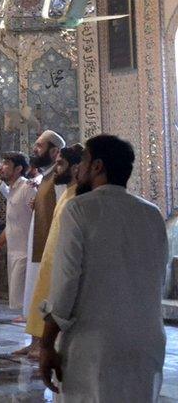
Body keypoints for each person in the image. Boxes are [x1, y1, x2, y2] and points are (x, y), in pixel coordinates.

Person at [39, 135, 167, 402]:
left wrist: (47, 343)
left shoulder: (79, 209)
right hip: (148, 343)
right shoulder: (152, 213)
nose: (78, 169)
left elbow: (65, 286)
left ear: (97, 166)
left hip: (95, 347)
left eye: (83, 160)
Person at [25, 144, 83, 341]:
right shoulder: (66, 193)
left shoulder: (78, 199)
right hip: (50, 261)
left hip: (61, 265)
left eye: (61, 164)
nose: (57, 168)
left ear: (76, 168)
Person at [18, 129, 65, 357]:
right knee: (34, 295)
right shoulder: (46, 176)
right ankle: (34, 341)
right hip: (37, 245)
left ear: (54, 151)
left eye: (39, 145)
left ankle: (44, 344)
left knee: (46, 297)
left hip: (49, 246)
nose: (35, 149)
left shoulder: (60, 177)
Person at [0, 151, 35, 319]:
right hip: (14, 251)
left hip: (26, 252)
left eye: (6, 164)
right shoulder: (12, 190)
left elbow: (36, 216)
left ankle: (30, 327)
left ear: (18, 169)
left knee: (22, 295)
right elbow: (12, 223)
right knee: (17, 297)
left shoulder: (28, 188)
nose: (2, 167)